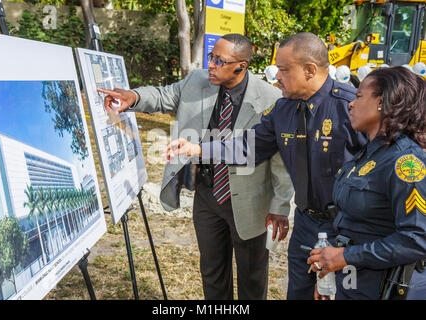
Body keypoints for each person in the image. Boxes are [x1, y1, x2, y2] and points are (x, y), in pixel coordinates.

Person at [164, 32, 368, 300]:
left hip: (349, 229)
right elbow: (247, 147)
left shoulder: (351, 106)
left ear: (309, 70)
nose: (276, 77)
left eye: (283, 70)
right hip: (307, 223)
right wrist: (199, 149)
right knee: (299, 293)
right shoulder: (282, 110)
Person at [98, 34, 293, 300]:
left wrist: (279, 207)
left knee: (252, 276)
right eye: (211, 57)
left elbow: (280, 160)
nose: (211, 65)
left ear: (241, 66)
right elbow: (164, 95)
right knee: (212, 271)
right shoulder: (197, 81)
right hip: (208, 194)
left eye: (219, 61)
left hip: (250, 201)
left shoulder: (271, 98)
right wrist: (133, 96)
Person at [307, 66, 426, 300]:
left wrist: (345, 257)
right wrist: (329, 273)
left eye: (359, 95)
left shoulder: (407, 163)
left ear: (383, 102)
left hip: (385, 287)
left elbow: (415, 239)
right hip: (352, 282)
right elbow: (348, 224)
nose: (351, 103)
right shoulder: (369, 154)